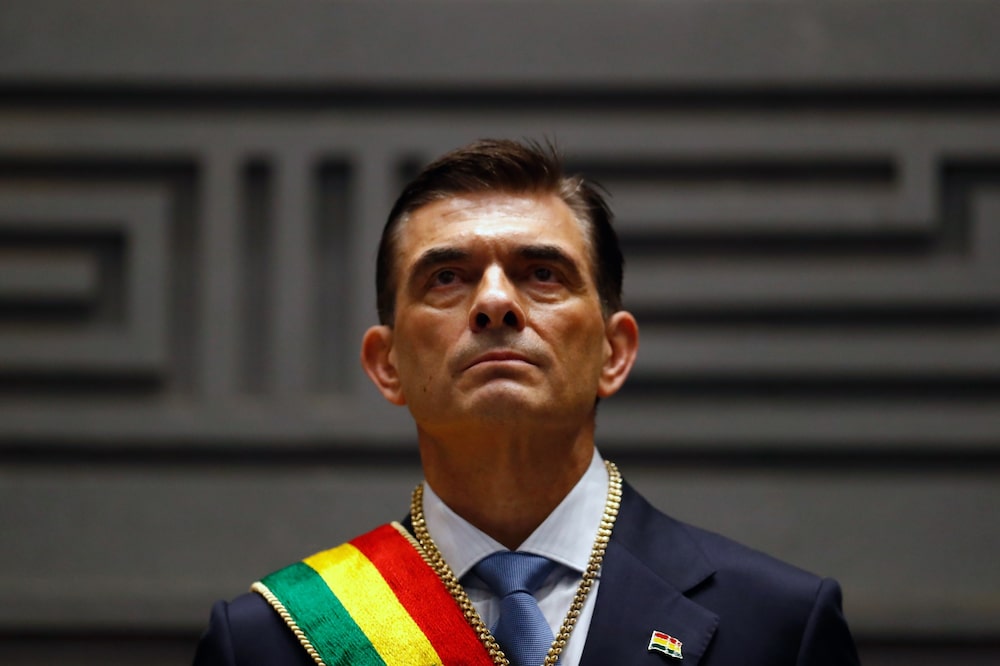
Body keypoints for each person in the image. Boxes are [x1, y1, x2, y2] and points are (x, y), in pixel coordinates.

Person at [193, 139, 860, 665]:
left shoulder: (777, 627)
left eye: (541, 274)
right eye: (447, 277)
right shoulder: (271, 642)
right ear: (386, 363)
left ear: (614, 352)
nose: (493, 303)